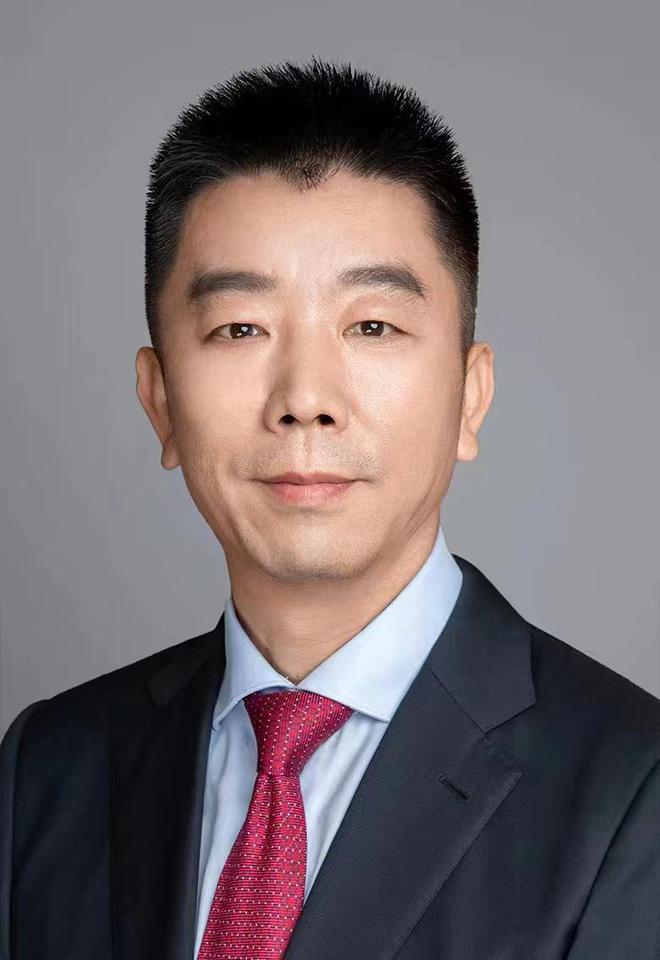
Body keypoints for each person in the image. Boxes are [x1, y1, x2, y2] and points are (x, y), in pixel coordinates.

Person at [1, 58, 659, 960]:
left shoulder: (633, 787)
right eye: (240, 328)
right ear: (160, 402)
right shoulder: (45, 767)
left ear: (470, 397)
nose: (305, 398)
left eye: (372, 326)